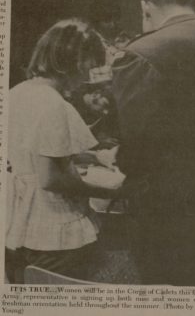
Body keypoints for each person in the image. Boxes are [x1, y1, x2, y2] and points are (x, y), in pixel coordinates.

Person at [112, 0, 195, 286]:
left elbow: (135, 143)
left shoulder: (142, 51)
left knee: (163, 284)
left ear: (146, 9)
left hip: (163, 207)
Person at [6, 18, 117, 283]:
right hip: (54, 234)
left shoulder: (18, 92)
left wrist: (96, 156)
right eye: (90, 67)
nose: (87, 78)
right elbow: (51, 179)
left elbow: (36, 152)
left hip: (17, 226)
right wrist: (111, 190)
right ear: (75, 61)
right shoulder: (52, 104)